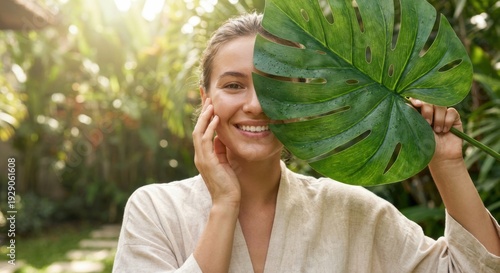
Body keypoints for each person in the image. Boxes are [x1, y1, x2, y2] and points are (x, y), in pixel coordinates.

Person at [112, 12, 500, 272]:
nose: (256, 105)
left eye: (275, 85)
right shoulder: (155, 211)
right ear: (205, 98)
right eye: (234, 85)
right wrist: (224, 205)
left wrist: (447, 164)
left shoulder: (351, 210)